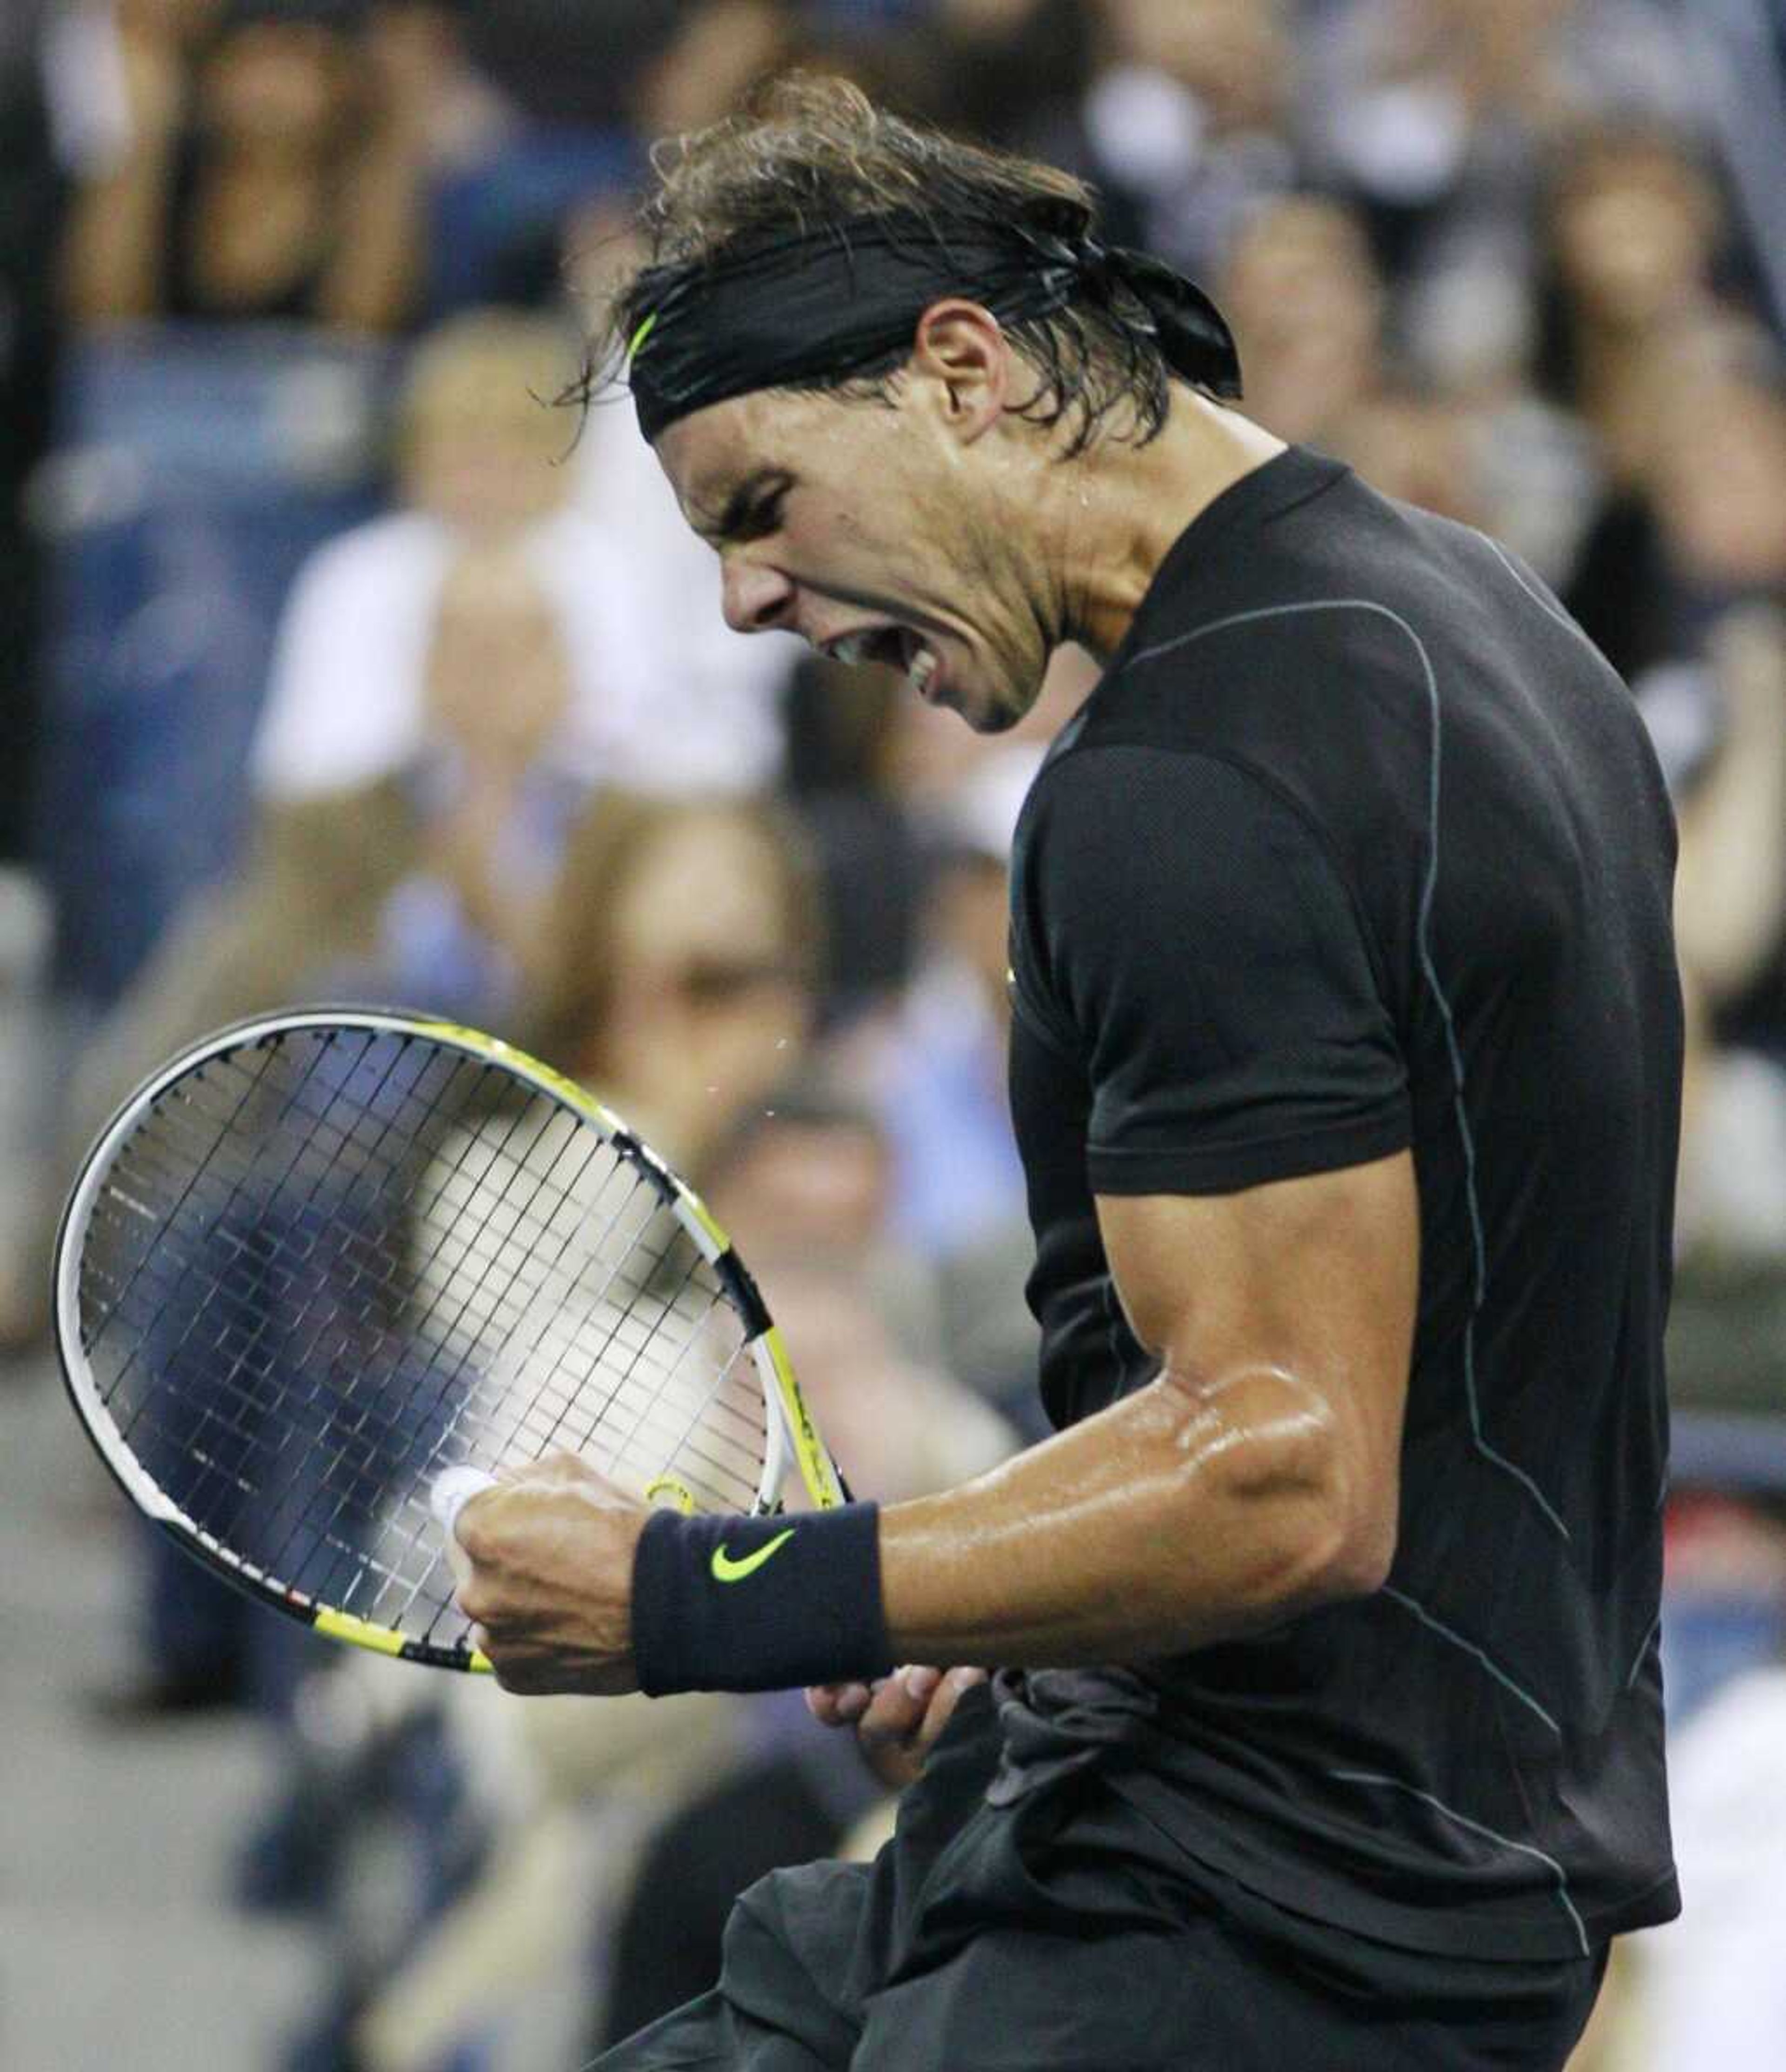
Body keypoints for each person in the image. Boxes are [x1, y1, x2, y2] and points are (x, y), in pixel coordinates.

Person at [444, 76, 1682, 2068]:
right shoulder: (1491, 623)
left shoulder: (1186, 787)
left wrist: (711, 1596)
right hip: (1245, 1848)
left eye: (762, 507)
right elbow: (1378, 1361)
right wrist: (1021, 1588)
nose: (749, 601)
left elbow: (1283, 1479)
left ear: (962, 371)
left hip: (1255, 1937)